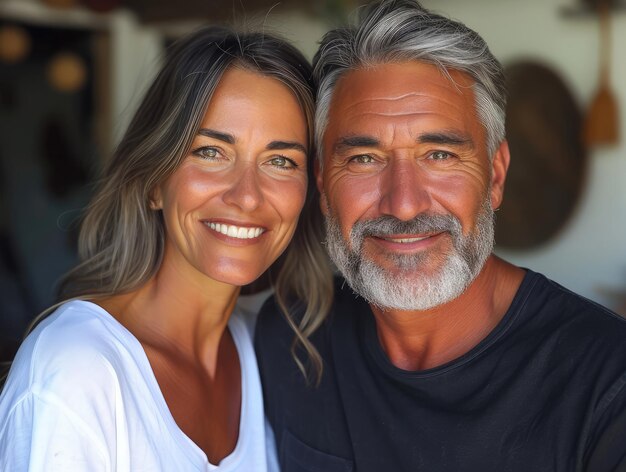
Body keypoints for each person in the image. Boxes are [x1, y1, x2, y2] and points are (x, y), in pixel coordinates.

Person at [255, 1, 626, 470]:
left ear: (494, 176)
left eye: (440, 155)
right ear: (324, 185)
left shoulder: (608, 385)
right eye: (364, 159)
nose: (404, 204)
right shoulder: (291, 339)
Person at [0, 25, 331, 471]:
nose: (247, 196)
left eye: (280, 161)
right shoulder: (77, 370)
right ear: (155, 181)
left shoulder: (270, 348)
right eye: (211, 152)